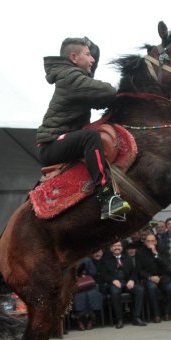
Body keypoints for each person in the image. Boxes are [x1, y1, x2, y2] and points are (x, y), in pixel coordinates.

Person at [36, 37, 130, 220]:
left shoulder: (72, 76)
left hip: (60, 140)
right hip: (51, 144)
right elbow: (108, 92)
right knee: (90, 137)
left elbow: (96, 92)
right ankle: (107, 197)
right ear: (74, 57)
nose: (92, 60)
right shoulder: (70, 78)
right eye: (88, 55)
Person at [99, 241, 146, 328]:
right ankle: (119, 319)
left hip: (126, 282)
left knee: (140, 289)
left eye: (119, 245)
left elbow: (134, 271)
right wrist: (112, 280)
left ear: (122, 247)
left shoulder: (127, 258)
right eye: (114, 245)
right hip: (114, 283)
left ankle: (136, 317)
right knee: (115, 292)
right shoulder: (105, 260)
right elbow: (103, 274)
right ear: (111, 248)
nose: (117, 247)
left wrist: (132, 280)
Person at [136, 233, 171, 322]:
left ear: (156, 242)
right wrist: (150, 277)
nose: (151, 243)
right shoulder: (140, 252)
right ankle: (156, 315)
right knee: (152, 288)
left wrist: (156, 254)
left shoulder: (161, 250)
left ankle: (167, 313)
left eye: (153, 241)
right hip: (149, 278)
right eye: (148, 241)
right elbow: (139, 270)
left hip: (162, 277)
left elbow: (166, 266)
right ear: (145, 242)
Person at [72, 252, 104, 331]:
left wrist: (85, 273)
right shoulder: (71, 260)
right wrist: (77, 274)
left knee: (93, 294)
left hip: (88, 284)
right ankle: (80, 320)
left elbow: (94, 272)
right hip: (76, 285)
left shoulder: (87, 259)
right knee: (79, 296)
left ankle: (91, 319)